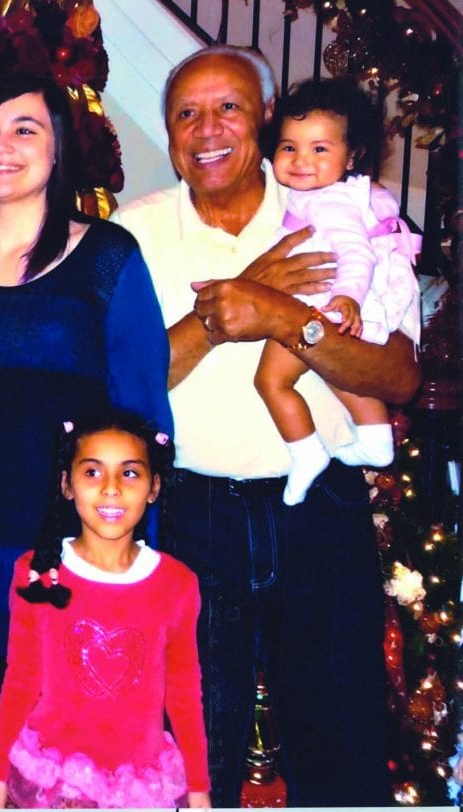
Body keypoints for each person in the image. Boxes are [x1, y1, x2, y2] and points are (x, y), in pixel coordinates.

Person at [112, 45, 419, 804]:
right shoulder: (131, 234)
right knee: (186, 757)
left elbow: (399, 376)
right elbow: (119, 385)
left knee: (340, 747)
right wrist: (231, 306)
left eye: (229, 108)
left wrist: (288, 320)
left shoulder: (348, 215)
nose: (206, 128)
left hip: (320, 511)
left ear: (266, 120)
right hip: (188, 516)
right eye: (185, 113)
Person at [0, 75, 172, 796]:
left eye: (26, 129)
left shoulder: (108, 259)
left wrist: (135, 561)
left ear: (59, 152)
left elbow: (146, 421)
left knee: (67, 772)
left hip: (71, 565)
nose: (1, 145)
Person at [0, 410, 210, 809]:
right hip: (53, 786)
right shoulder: (36, 573)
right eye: (92, 472)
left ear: (154, 487)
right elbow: (20, 679)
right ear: (66, 485)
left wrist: (198, 789)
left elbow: (184, 692)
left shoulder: (177, 583)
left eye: (129, 473)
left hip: (139, 786)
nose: (110, 489)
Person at [256, 77, 421, 504]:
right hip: (338, 299)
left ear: (353, 157)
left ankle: (305, 450)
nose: (300, 160)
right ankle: (375, 437)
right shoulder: (330, 194)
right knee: (340, 374)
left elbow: (356, 252)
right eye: (289, 147)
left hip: (329, 299)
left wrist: (346, 296)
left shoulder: (329, 202)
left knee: (271, 380)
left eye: (320, 149)